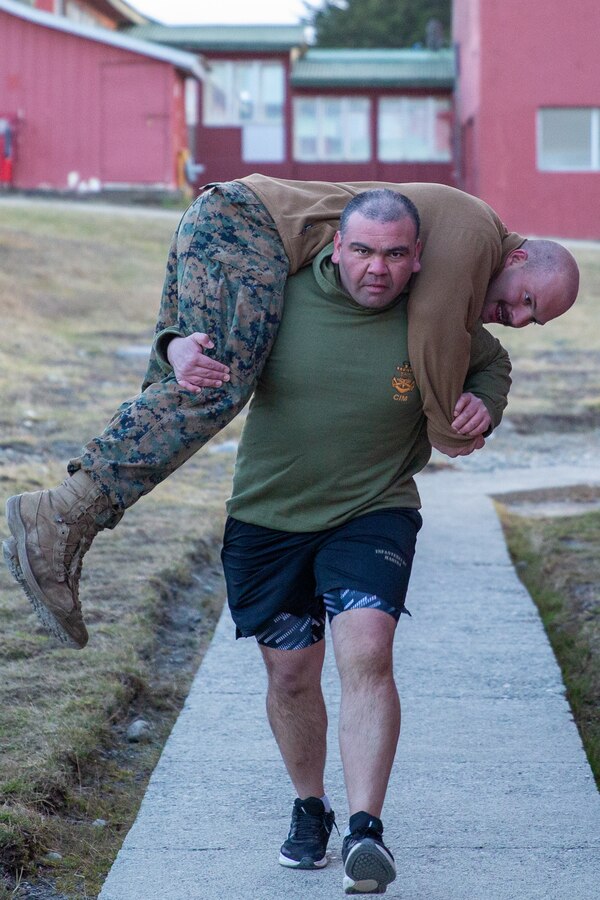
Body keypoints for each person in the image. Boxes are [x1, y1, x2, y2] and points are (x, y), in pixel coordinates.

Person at [2, 177, 579, 649]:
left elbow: (468, 346)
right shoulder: (475, 235)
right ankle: (60, 515)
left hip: (227, 219)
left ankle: (65, 522)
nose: (521, 318)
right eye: (528, 299)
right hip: (246, 227)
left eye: (537, 319)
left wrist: (486, 401)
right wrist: (449, 430)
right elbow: (436, 341)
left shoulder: (469, 240)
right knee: (217, 382)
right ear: (519, 256)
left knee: (188, 372)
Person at [219, 189, 511, 894]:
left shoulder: (435, 315)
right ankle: (310, 806)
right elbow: (202, 336)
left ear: (417, 259)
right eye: (363, 251)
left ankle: (364, 831)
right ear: (336, 248)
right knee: (291, 674)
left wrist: (484, 404)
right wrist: (181, 347)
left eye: (394, 254)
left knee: (368, 652)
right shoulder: (281, 294)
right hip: (269, 515)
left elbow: (490, 364)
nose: (376, 269)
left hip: (373, 510)